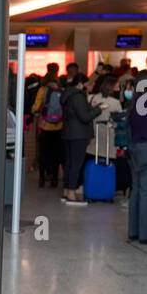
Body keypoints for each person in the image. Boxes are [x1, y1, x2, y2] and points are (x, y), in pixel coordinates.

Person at [124, 70, 147, 244]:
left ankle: (133, 230)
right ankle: (145, 234)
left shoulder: (133, 103)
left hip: (134, 150)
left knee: (136, 191)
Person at [59, 74, 97, 204]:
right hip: (79, 134)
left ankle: (66, 191)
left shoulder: (68, 95)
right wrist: (98, 110)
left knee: (69, 163)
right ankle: (71, 193)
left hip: (68, 133)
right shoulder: (78, 96)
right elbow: (84, 117)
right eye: (89, 84)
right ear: (81, 84)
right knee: (76, 164)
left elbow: (77, 113)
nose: (91, 86)